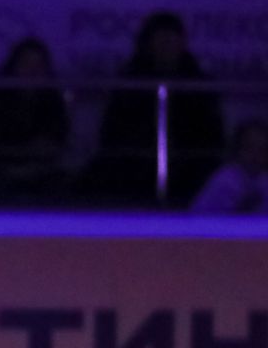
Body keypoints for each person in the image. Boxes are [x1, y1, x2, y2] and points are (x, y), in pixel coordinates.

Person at [82, 11, 224, 206]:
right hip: (135, 159)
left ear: (182, 43)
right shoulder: (131, 81)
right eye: (160, 40)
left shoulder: (198, 83)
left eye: (171, 40)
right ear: (148, 43)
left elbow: (212, 133)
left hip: (189, 161)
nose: (166, 47)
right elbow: (112, 130)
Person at [0, 36, 69, 202]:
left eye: (39, 65)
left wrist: (40, 155)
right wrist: (11, 160)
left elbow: (59, 137)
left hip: (41, 172)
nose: (32, 71)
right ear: (14, 65)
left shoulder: (53, 100)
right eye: (26, 64)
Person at [191, 119, 268, 213]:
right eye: (249, 148)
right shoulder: (224, 179)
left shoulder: (265, 179)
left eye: (261, 149)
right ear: (237, 149)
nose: (255, 155)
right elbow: (198, 216)